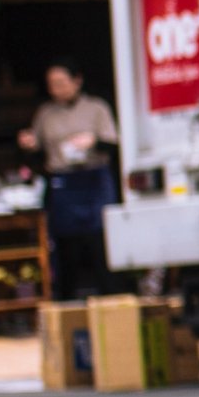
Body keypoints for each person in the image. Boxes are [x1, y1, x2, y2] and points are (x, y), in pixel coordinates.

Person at [18, 60, 120, 300]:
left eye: (61, 83)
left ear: (77, 81)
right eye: (52, 84)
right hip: (63, 182)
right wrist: (28, 144)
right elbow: (37, 150)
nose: (57, 89)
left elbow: (113, 144)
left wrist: (92, 141)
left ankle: (111, 300)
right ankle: (66, 302)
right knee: (65, 247)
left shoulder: (96, 108)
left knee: (100, 244)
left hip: (93, 179)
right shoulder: (46, 113)